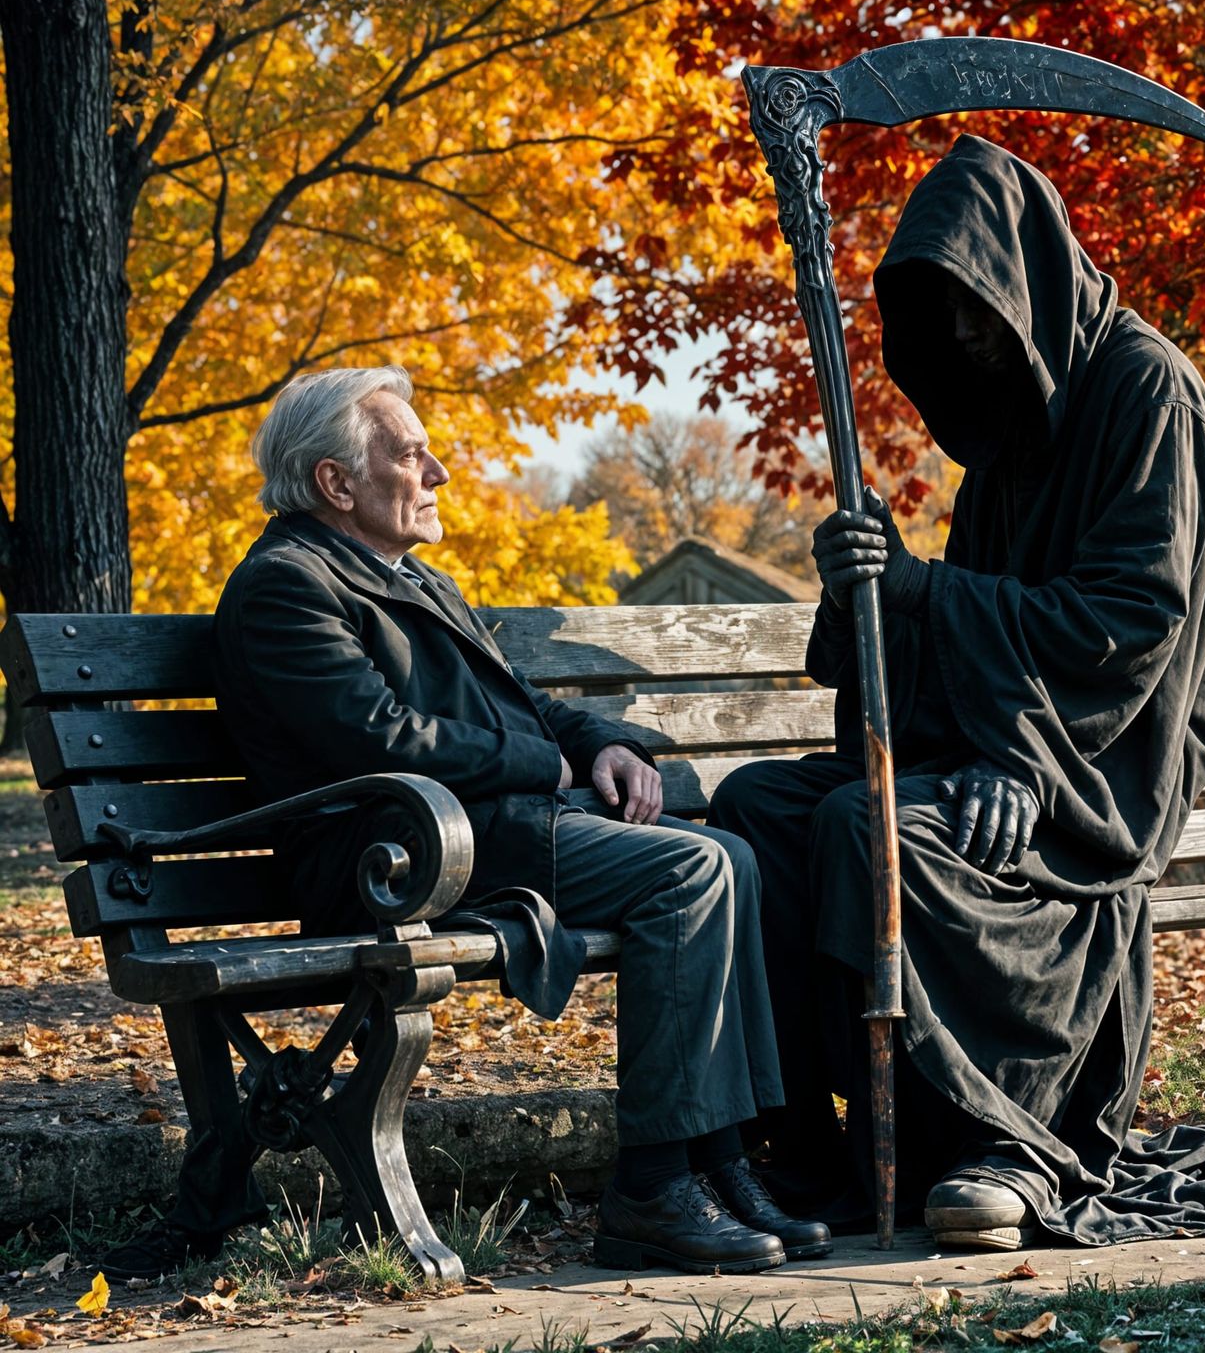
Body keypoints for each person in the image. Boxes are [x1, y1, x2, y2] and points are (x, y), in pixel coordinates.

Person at [708, 134, 1205, 1251]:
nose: (960, 342)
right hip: (1008, 743)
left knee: (865, 822)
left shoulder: (1147, 389)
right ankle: (804, 1140)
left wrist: (1025, 764)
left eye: (974, 311)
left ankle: (1002, 1134)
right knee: (757, 809)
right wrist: (867, 593)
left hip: (1103, 766)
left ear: (1028, 276)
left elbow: (1128, 623)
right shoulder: (1006, 423)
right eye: (936, 321)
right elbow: (950, 624)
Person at [104, 366, 827, 1282]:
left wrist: (600, 742)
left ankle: (716, 1162)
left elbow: (522, 704)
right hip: (393, 857)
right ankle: (653, 1184)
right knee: (690, 871)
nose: (438, 473)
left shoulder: (412, 579)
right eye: (411, 455)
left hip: (472, 833)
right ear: (337, 483)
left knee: (731, 852)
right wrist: (545, 765)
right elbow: (375, 740)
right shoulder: (287, 587)